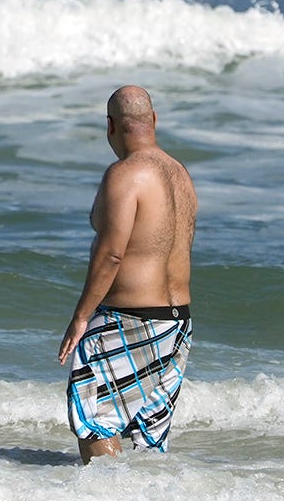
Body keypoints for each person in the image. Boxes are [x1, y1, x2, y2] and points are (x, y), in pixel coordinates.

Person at [57, 85, 198, 460]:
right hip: (177, 323)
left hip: (130, 318)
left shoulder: (124, 175)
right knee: (148, 438)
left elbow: (112, 256)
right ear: (153, 121)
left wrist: (81, 317)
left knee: (94, 416)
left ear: (110, 126)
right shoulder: (180, 176)